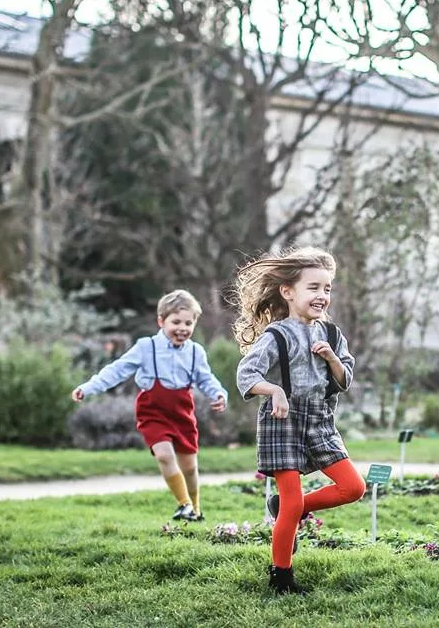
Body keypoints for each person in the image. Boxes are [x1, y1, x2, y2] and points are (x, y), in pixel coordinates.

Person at [233, 247, 366, 595]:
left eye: (327, 288)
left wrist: (332, 357)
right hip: (283, 422)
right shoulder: (276, 335)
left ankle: (286, 509)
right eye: (314, 287)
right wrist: (274, 390)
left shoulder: (333, 335)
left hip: (320, 420)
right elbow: (246, 374)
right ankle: (281, 577)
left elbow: (345, 379)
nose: (322, 295)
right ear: (288, 292)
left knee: (353, 488)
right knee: (292, 503)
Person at [72, 290, 227, 522]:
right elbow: (117, 370)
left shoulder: (196, 352)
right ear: (161, 321)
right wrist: (89, 387)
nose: (182, 328)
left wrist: (218, 393)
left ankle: (195, 507)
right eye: (176, 322)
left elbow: (206, 379)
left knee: (190, 467)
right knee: (164, 456)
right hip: (152, 411)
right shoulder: (146, 347)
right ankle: (183, 504)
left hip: (182, 413)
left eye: (188, 323)